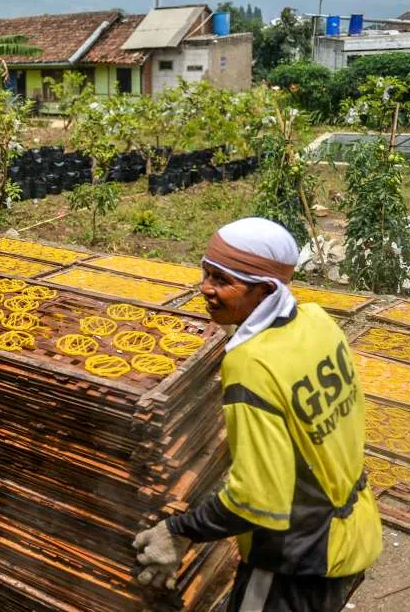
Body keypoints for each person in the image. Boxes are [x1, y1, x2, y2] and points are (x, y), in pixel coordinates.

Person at [133, 217, 381, 612]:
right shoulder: (317, 321)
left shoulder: (250, 364)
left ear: (266, 289)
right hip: (355, 530)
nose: (205, 288)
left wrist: (178, 531)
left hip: (298, 558)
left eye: (222, 280)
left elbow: (257, 499)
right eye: (206, 273)